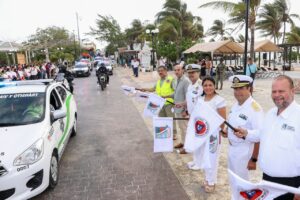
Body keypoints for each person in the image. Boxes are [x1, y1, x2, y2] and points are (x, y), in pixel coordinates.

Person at [234, 75, 300, 200]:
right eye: (274, 91)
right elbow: (262, 134)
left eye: (281, 91)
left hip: (291, 186)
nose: (276, 95)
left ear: (292, 91)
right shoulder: (271, 113)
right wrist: (246, 133)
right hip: (267, 180)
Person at [225, 75, 264, 199]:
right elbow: (233, 125)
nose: (238, 92)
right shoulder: (236, 105)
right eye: (236, 89)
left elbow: (260, 135)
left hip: (244, 151)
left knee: (243, 184)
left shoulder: (255, 109)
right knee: (233, 179)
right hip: (232, 149)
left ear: (249, 89)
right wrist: (226, 131)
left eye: (241, 88)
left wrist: (253, 159)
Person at [196, 76, 226, 193]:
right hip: (202, 134)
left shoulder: (219, 100)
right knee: (205, 157)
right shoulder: (200, 99)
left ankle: (211, 181)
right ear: (202, 87)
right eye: (205, 85)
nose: (208, 87)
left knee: (212, 158)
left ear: (214, 86)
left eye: (210, 85)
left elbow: (223, 120)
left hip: (213, 135)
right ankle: (207, 178)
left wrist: (219, 131)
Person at [175, 64, 203, 166]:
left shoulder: (202, 85)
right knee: (194, 137)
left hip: (199, 117)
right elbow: (190, 100)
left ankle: (199, 162)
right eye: (189, 73)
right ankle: (196, 160)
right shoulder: (191, 85)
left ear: (198, 73)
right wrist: (183, 105)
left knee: (199, 139)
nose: (191, 74)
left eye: (193, 73)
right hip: (192, 116)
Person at [140, 65, 177, 140]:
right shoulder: (159, 81)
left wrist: (167, 96)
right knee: (162, 119)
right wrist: (145, 89)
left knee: (170, 118)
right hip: (160, 104)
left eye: (162, 70)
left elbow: (176, 91)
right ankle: (165, 132)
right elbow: (153, 89)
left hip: (169, 103)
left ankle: (174, 133)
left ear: (166, 71)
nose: (160, 72)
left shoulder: (171, 79)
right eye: (159, 71)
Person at [172, 64, 190, 152]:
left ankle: (187, 147)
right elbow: (176, 93)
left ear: (182, 70)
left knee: (185, 128)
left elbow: (188, 96)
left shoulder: (186, 81)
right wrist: (165, 96)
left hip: (183, 110)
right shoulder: (177, 80)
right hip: (177, 108)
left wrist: (185, 110)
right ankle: (183, 142)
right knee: (181, 128)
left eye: (178, 70)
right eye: (175, 70)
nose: (176, 72)